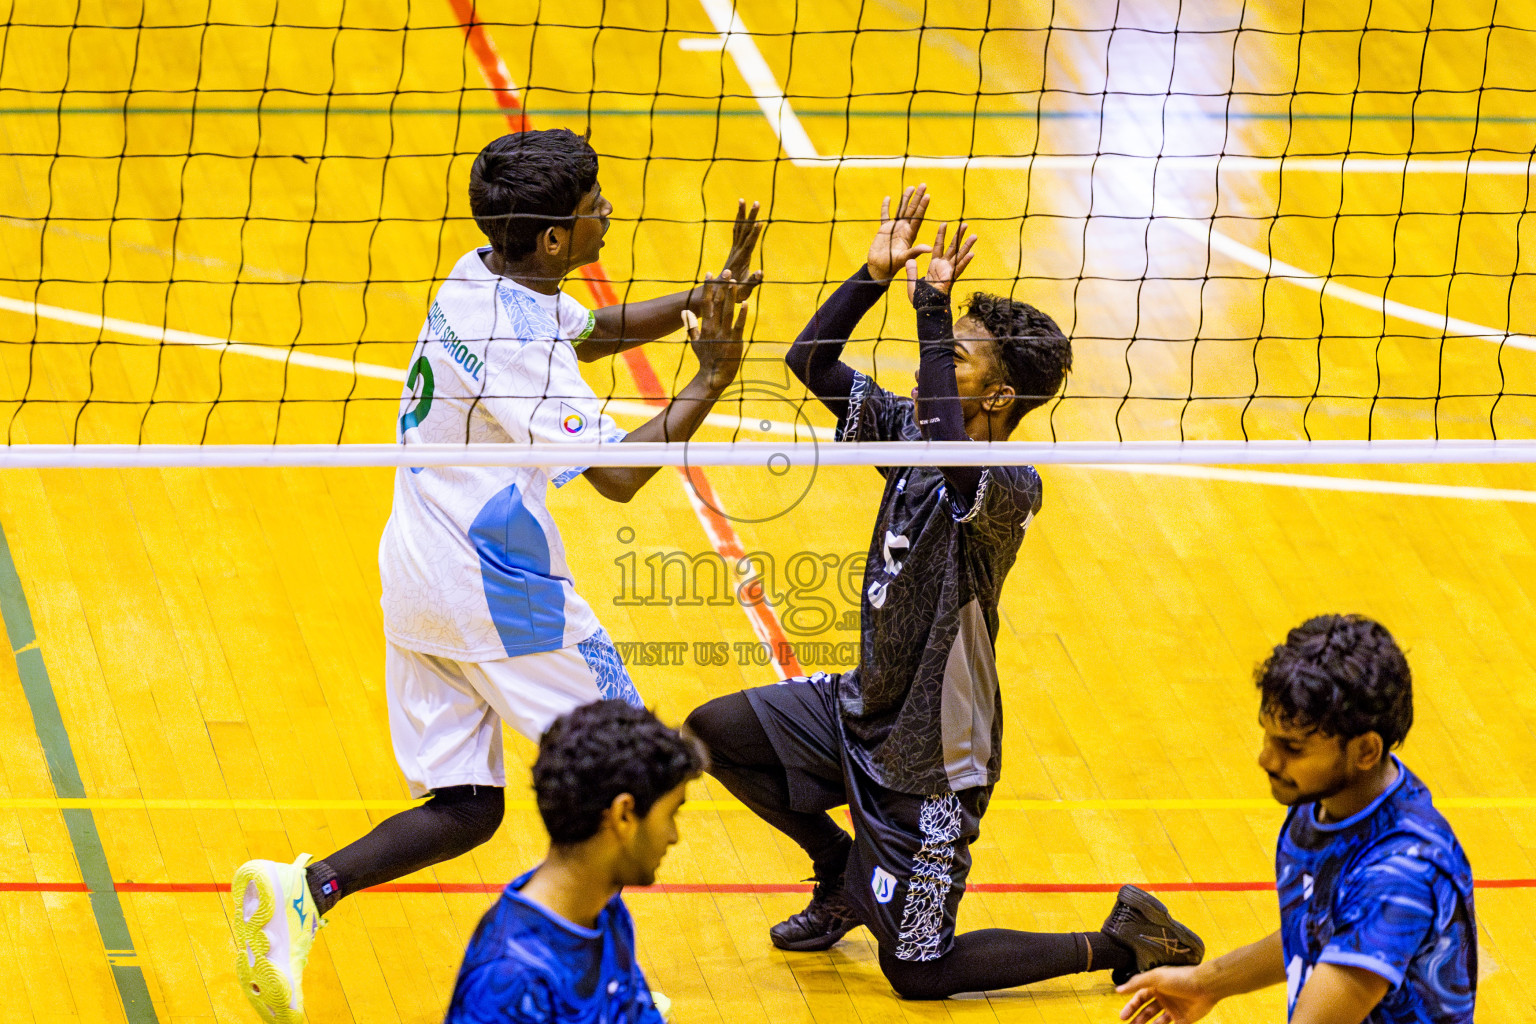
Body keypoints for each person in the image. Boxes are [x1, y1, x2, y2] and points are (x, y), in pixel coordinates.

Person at [232, 127, 759, 1024]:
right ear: (554, 237)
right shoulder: (522, 350)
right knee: (622, 778)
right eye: (594, 206)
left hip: (417, 573)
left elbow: (587, 330)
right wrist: (710, 377)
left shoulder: (481, 271)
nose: (607, 214)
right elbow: (622, 477)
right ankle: (606, 984)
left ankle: (303, 892)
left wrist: (699, 298)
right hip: (501, 593)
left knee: (468, 805)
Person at [685, 184, 1204, 999]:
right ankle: (841, 874)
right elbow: (809, 362)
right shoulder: (915, 437)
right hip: (860, 708)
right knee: (712, 732)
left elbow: (956, 456)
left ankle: (1122, 938)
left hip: (930, 758)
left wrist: (932, 309)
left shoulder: (1007, 484)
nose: (935, 366)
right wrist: (872, 276)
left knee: (917, 971)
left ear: (997, 398)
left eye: (957, 357)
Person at [1119, 615, 1476, 1024]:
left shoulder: (1401, 876)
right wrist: (1207, 982)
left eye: (1292, 747)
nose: (1266, 760)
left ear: (1365, 751)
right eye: (1267, 736)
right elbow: (1319, 932)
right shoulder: (1325, 802)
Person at [444, 699, 703, 1024]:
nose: (673, 835)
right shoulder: (511, 978)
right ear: (623, 815)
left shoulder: (604, 911)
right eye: (670, 814)